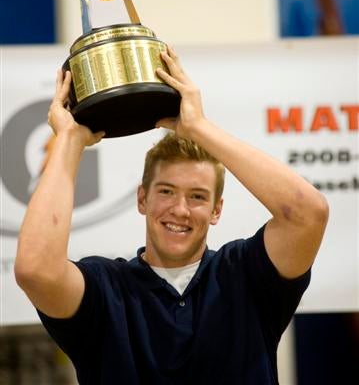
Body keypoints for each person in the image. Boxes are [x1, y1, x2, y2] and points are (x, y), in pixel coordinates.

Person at [15, 46, 329, 384]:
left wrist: (198, 127)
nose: (179, 209)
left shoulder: (245, 275)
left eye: (197, 196)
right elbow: (35, 270)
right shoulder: (106, 289)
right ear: (142, 199)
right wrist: (69, 140)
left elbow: (308, 213)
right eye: (166, 191)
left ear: (216, 211)